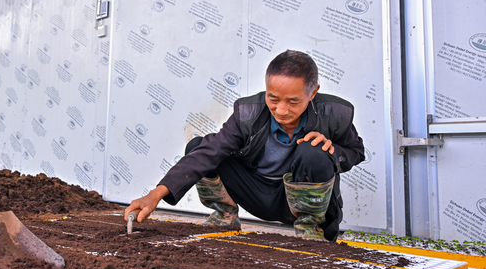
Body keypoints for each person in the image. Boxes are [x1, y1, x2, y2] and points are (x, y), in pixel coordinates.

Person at [124, 50, 365, 241]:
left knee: (315, 151)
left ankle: (310, 230)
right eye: (273, 98)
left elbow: (356, 152)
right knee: (199, 145)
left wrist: (333, 150)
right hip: (257, 193)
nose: (281, 110)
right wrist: (155, 195)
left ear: (313, 93)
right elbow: (209, 152)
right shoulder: (247, 113)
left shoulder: (334, 114)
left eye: (293, 101)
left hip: (301, 203)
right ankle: (224, 217)